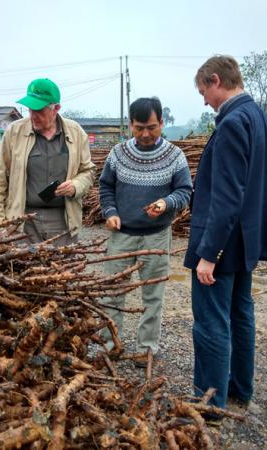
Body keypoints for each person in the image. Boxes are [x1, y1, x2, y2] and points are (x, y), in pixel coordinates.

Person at [184, 55, 267, 410]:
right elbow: (261, 186)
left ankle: (208, 404)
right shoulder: (261, 119)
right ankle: (239, 388)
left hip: (223, 245)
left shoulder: (233, 123)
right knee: (240, 314)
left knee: (210, 323)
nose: (204, 100)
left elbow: (226, 196)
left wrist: (209, 254)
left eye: (203, 92)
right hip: (246, 242)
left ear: (215, 80)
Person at [99, 97, 192, 365]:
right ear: (130, 125)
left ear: (162, 123)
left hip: (157, 235)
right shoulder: (117, 154)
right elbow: (106, 188)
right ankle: (110, 345)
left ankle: (146, 348)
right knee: (112, 291)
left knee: (152, 294)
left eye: (152, 127)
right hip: (121, 234)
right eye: (139, 128)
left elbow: (185, 192)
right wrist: (111, 213)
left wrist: (166, 203)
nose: (146, 134)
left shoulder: (175, 156)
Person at [0, 78, 95, 245]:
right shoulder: (14, 132)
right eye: (30, 110)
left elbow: (88, 172)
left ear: (56, 108)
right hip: (23, 222)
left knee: (64, 269)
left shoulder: (75, 133)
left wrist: (76, 185)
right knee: (24, 268)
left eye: (39, 110)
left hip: (63, 221)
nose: (33, 116)